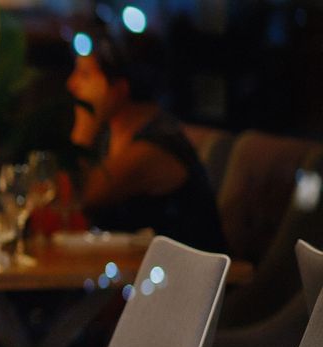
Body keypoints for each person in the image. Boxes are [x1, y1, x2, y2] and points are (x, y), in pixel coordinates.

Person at [65, 28, 227, 253]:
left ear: (119, 89)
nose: (71, 84)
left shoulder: (156, 146)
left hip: (185, 282)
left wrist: (83, 127)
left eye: (85, 75)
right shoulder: (111, 137)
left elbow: (80, 197)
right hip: (137, 277)